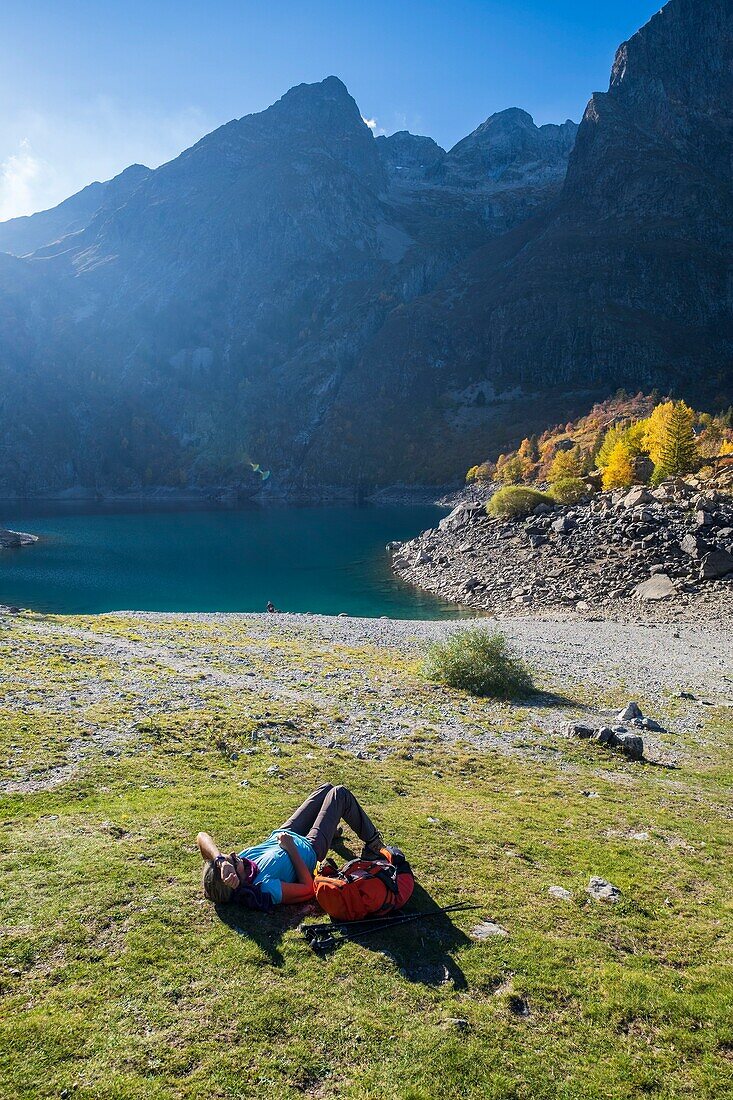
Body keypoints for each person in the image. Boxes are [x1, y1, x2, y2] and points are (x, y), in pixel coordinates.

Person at [197, 783, 383, 909]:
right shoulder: (265, 887)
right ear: (235, 880)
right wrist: (291, 848)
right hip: (308, 848)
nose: (233, 854)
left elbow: (201, 836)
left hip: (284, 833)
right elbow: (308, 889)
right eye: (233, 860)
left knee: (326, 788)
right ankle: (374, 844)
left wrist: (220, 860)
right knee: (339, 794)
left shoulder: (243, 867)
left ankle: (329, 829)